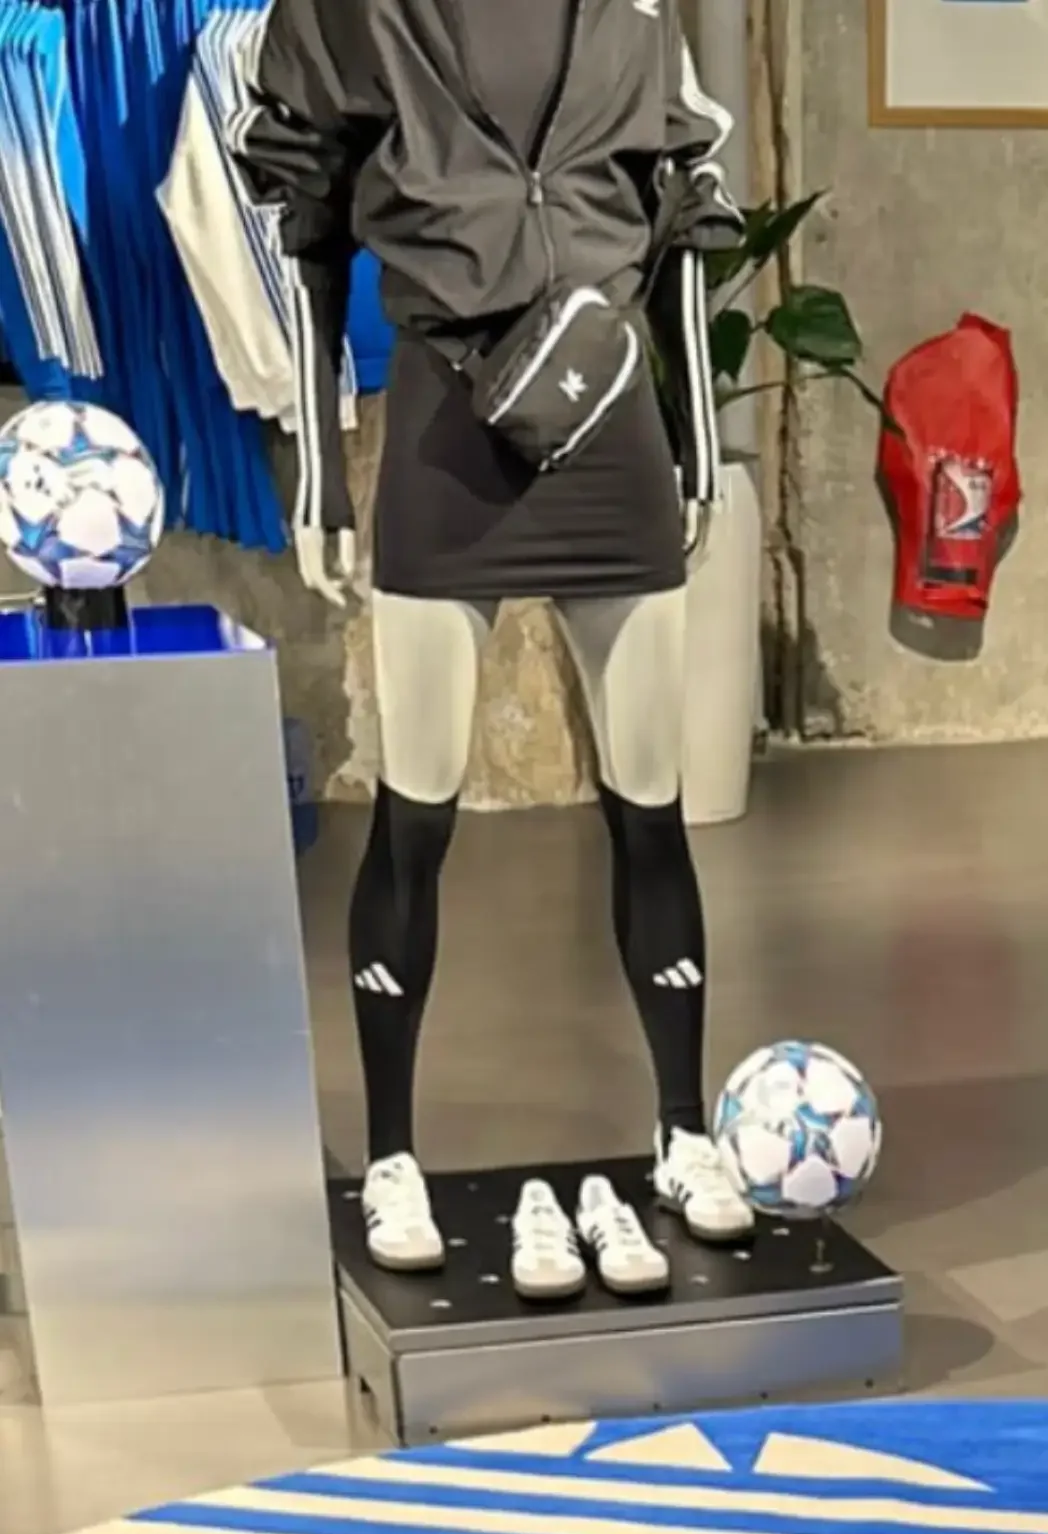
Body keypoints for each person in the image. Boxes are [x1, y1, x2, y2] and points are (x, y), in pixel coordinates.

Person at [230, 0, 756, 1274]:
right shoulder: (347, 19)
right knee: (418, 813)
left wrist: (698, 445)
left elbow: (686, 235)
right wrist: (322, 476)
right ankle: (394, 1157)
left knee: (651, 801)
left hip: (608, 412)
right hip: (442, 426)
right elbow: (308, 245)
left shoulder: (635, 26)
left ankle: (682, 1128)